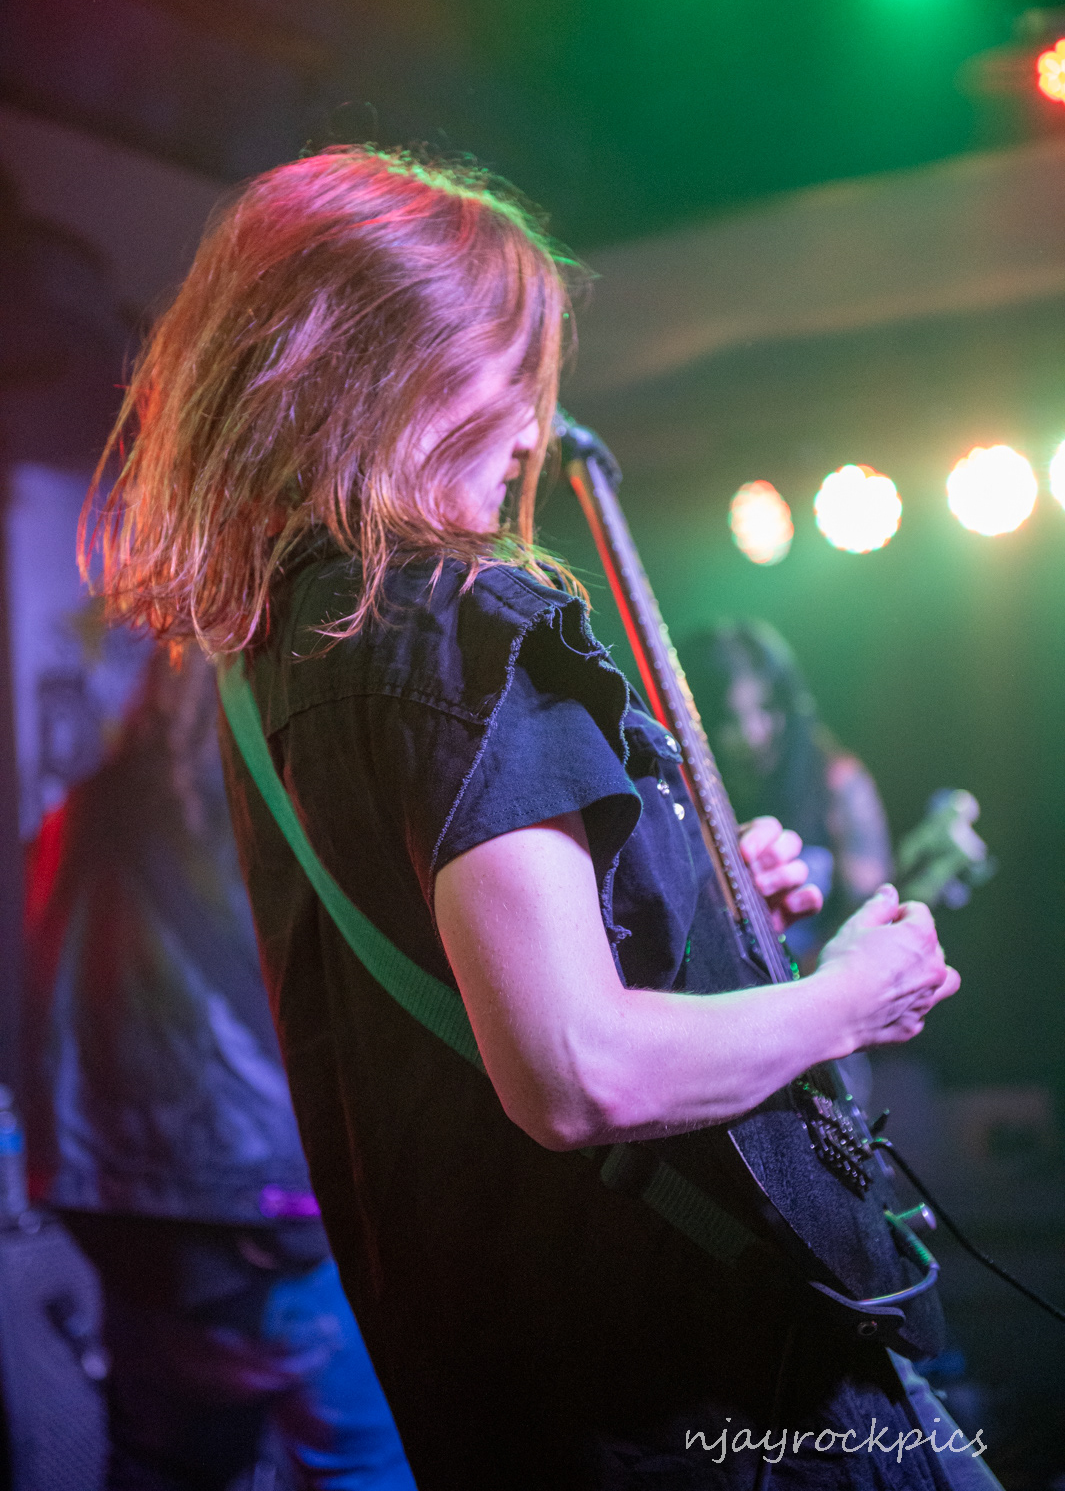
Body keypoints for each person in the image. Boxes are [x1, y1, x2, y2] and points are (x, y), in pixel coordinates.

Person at [82, 146, 991, 1489]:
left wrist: (675, 895)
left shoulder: (290, 641)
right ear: (393, 366)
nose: (532, 429)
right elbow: (577, 1069)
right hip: (703, 1398)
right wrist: (850, 999)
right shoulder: (458, 619)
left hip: (518, 1400)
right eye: (513, 372)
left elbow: (469, 968)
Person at [24, 644, 416, 1491]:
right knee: (366, 1466)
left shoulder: (79, 814)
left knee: (160, 1469)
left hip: (132, 1230)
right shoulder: (273, 809)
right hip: (275, 1224)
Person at [680, 621, 893, 963]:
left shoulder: (837, 781)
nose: (753, 734)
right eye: (728, 719)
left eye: (766, 709)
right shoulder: (682, 797)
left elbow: (868, 910)